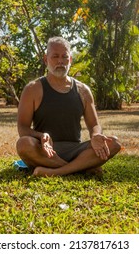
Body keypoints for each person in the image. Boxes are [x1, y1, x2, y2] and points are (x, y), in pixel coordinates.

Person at [16, 36, 121, 177]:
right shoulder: (32, 89)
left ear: (70, 60)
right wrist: (42, 136)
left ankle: (58, 172)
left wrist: (96, 135)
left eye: (64, 56)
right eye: (55, 56)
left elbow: (94, 124)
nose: (60, 61)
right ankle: (80, 168)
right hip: (45, 151)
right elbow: (22, 128)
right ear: (46, 59)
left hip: (76, 150)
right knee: (23, 144)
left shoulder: (83, 90)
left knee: (113, 143)